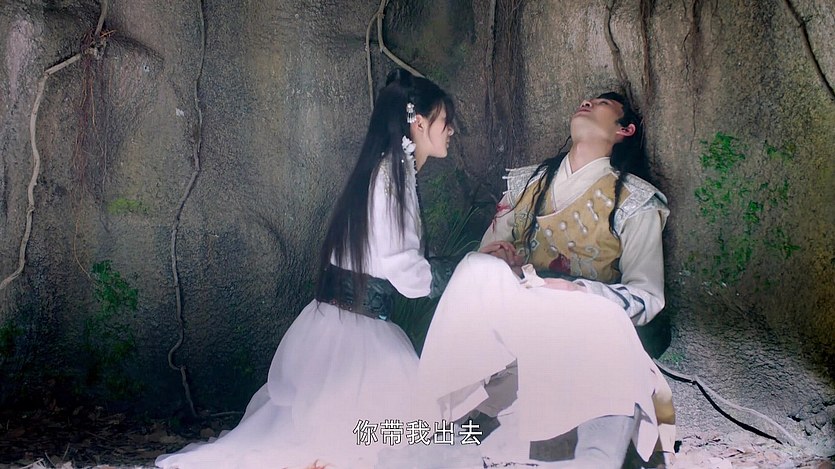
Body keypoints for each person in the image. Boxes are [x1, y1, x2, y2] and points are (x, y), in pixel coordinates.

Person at [156, 68, 456, 469]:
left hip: (340, 325)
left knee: (397, 436)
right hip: (357, 336)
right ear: (419, 122)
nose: (451, 130)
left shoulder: (386, 168)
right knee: (402, 441)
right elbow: (402, 267)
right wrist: (457, 275)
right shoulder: (392, 174)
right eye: (444, 120)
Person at [418, 92, 675, 469]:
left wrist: (579, 290)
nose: (587, 102)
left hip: (583, 323)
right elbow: (485, 260)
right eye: (587, 99)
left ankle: (593, 455)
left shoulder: (634, 200)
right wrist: (501, 259)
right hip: (518, 316)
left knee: (601, 323)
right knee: (475, 267)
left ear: (625, 130)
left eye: (603, 103)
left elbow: (647, 297)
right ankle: (435, 415)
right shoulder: (527, 183)